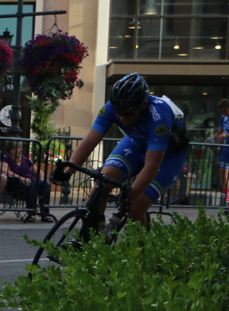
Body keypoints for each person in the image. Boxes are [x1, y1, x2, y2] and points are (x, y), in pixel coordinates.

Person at [57, 73, 189, 226]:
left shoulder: (159, 115)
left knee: (135, 206)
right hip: (135, 144)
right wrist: (67, 172)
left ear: (143, 105)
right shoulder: (111, 108)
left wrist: (129, 197)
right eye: (119, 113)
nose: (122, 118)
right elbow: (89, 142)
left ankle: (139, 248)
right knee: (101, 184)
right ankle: (95, 232)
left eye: (128, 113)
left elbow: (152, 166)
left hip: (167, 157)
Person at [1, 141, 53, 223]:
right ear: (11, 150)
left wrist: (42, 180)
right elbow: (5, 171)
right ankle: (31, 213)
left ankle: (45, 213)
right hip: (16, 185)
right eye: (18, 148)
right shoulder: (6, 159)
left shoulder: (25, 160)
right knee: (29, 184)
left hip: (31, 183)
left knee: (45, 184)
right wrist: (21, 178)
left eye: (21, 148)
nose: (21, 150)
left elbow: (39, 172)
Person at [214, 98, 229, 209]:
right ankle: (225, 194)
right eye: (222, 111)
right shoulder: (223, 118)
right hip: (226, 147)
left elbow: (224, 134)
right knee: (221, 171)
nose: (224, 113)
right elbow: (220, 131)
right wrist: (212, 138)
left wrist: (224, 135)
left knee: (227, 173)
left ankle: (227, 197)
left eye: (225, 110)